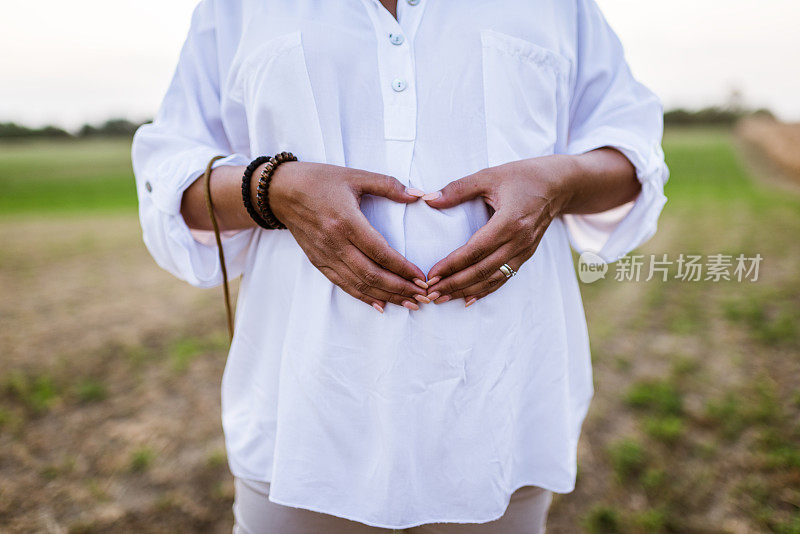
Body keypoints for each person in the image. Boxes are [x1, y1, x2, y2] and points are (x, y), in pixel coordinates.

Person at [132, 0, 668, 532]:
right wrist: (276, 189)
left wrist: (559, 183)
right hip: (300, 422)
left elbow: (632, 155)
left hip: (502, 415)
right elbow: (171, 177)